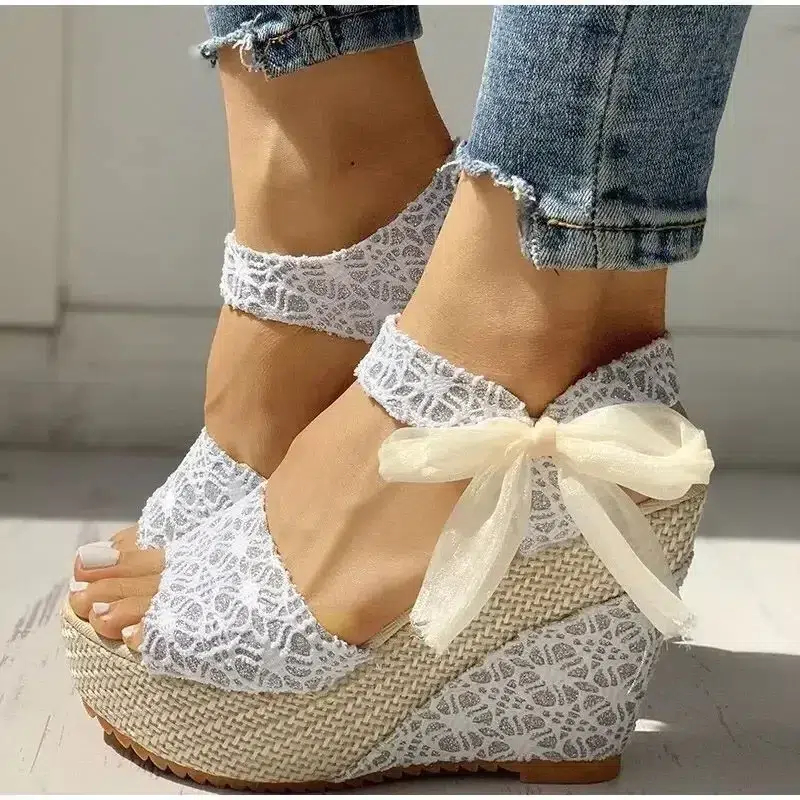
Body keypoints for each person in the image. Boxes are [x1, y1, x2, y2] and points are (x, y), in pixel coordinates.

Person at [62, 5, 750, 790]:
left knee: (548, 280)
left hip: (527, 362)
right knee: (319, 112)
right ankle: (364, 182)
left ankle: (532, 337)